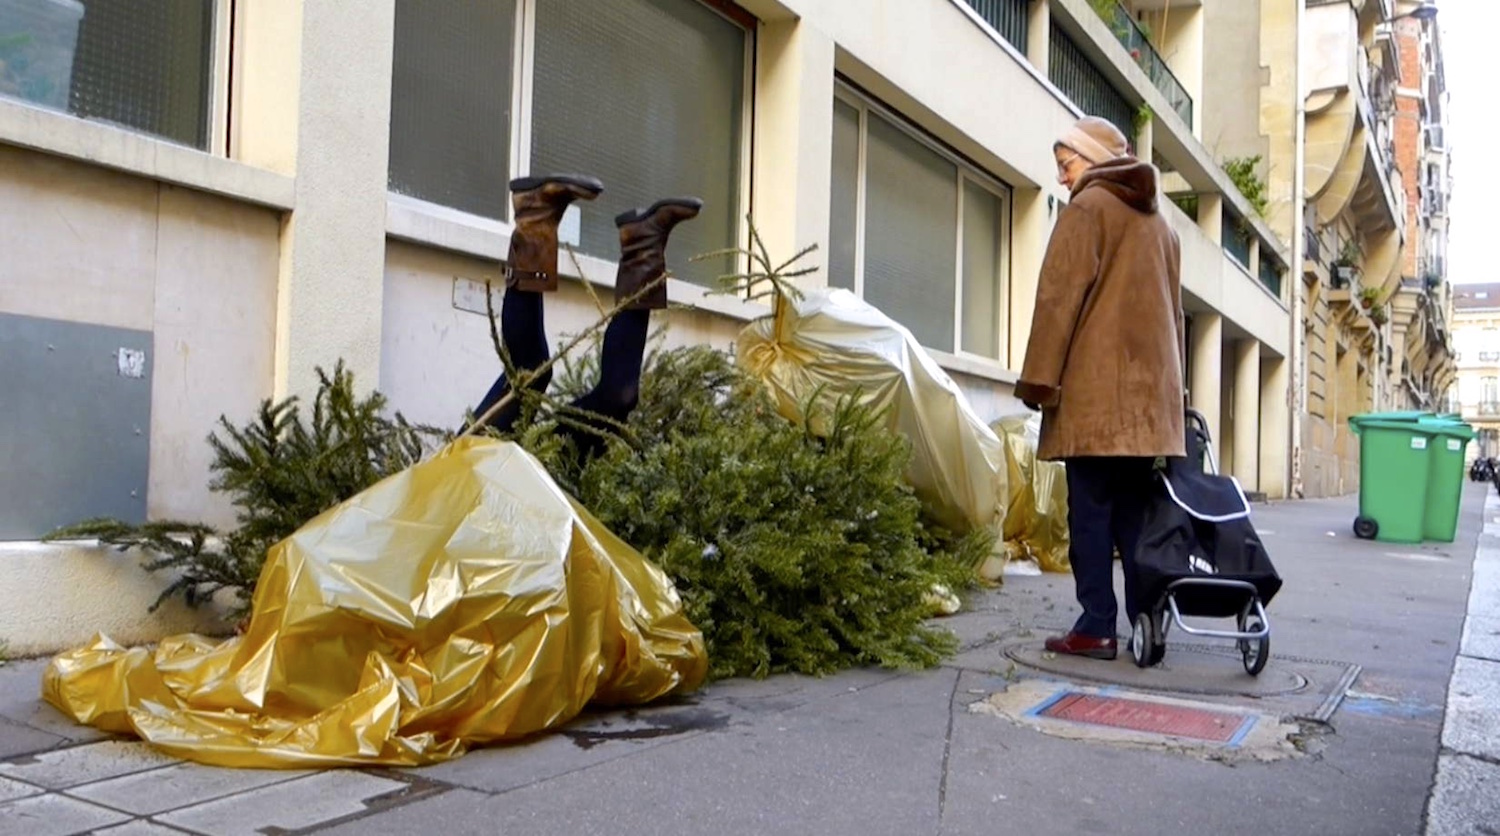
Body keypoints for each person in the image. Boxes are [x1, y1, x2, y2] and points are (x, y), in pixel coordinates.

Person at [1015, 116, 1187, 660]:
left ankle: (1095, 625)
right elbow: (1174, 317)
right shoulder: (1162, 227)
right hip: (1146, 404)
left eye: (1067, 166)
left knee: (1089, 514)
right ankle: (1145, 621)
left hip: (1093, 397)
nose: (1063, 179)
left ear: (1093, 160)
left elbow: (1057, 299)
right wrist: (1173, 401)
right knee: (1135, 515)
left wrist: (1038, 380)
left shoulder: (1087, 209)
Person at [472, 174, 702, 460]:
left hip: (457, 482)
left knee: (529, 374)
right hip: (518, 492)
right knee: (621, 397)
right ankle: (642, 249)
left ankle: (535, 217)